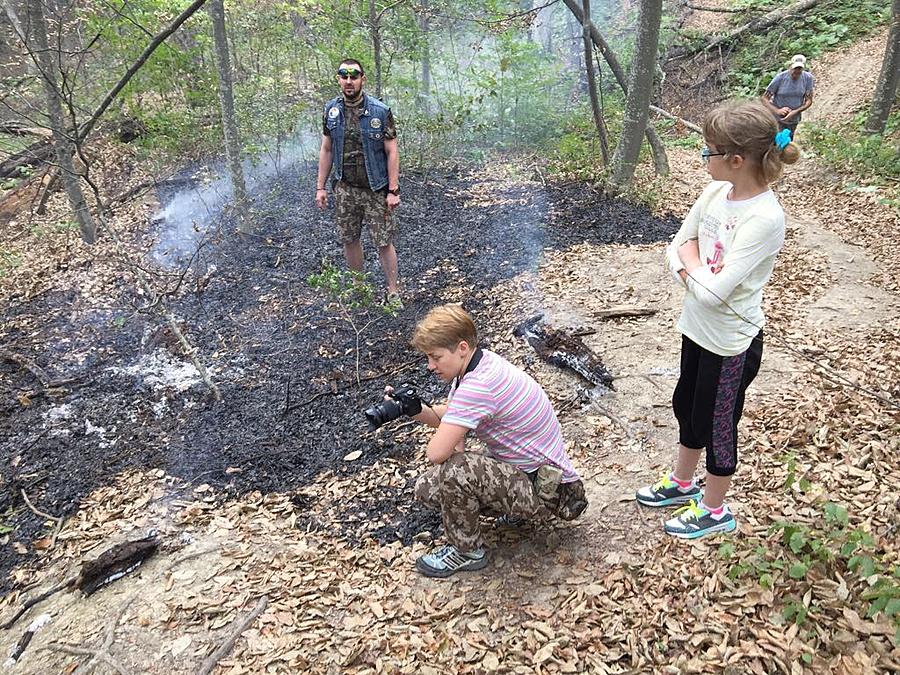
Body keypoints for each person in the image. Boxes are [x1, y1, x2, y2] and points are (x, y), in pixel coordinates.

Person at [636, 99, 800, 539]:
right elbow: (676, 245)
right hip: (696, 328)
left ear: (736, 159)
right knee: (686, 405)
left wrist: (688, 265)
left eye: (708, 150)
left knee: (718, 422)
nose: (702, 157)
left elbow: (713, 293)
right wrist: (690, 264)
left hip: (731, 341)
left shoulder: (764, 217)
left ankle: (713, 508)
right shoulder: (713, 194)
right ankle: (683, 483)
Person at [404, 304, 588, 578]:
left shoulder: (479, 386)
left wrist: (453, 444)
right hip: (538, 474)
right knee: (427, 488)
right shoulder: (481, 364)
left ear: (462, 348)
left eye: (435, 357)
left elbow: (436, 453)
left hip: (552, 491)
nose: (431, 366)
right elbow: (452, 416)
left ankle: (466, 551)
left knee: (455, 471)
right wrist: (414, 410)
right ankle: (517, 514)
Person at [315, 58, 402, 306]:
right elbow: (326, 149)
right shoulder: (331, 111)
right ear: (339, 79)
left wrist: (393, 190)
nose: (349, 81)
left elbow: (392, 151)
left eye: (354, 76)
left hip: (375, 189)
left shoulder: (380, 111)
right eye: (345, 76)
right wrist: (320, 187)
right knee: (349, 238)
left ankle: (393, 291)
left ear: (363, 79)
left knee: (383, 241)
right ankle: (359, 287)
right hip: (345, 188)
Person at [762, 54, 814, 140]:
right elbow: (764, 98)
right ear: (790, 66)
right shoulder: (780, 78)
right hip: (777, 119)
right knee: (778, 142)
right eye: (794, 69)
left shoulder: (808, 78)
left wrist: (795, 111)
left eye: (799, 70)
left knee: (788, 141)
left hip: (794, 119)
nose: (796, 72)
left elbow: (809, 101)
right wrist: (778, 111)